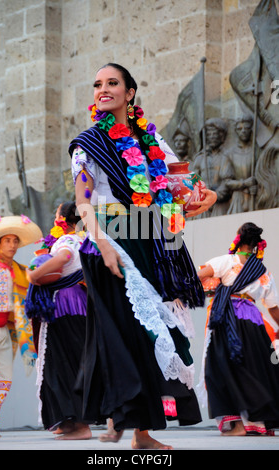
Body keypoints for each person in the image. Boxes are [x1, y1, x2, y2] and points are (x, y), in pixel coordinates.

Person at [68, 63, 217, 449]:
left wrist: (204, 197)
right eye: (97, 83)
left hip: (149, 240)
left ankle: (140, 431)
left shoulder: (152, 141)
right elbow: (83, 202)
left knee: (154, 335)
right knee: (127, 336)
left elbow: (181, 185)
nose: (103, 88)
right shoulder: (89, 143)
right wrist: (102, 245)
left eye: (112, 83)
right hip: (111, 242)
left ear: (130, 92)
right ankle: (129, 421)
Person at [197, 222, 279, 436]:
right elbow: (273, 308)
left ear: (237, 238)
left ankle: (238, 426)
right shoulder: (263, 272)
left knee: (221, 368)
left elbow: (199, 276)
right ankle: (258, 424)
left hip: (228, 319)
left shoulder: (227, 261)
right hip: (254, 323)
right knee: (256, 368)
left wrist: (211, 288)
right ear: (256, 246)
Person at [25, 202, 91, 440]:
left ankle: (80, 426)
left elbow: (63, 258)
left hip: (62, 304)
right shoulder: (86, 239)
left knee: (61, 365)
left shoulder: (66, 241)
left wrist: (34, 274)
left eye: (56, 215)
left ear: (62, 218)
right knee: (72, 362)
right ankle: (68, 421)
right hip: (79, 303)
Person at [0, 214, 42, 437]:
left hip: (6, 330)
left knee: (5, 377)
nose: (12, 245)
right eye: (7, 241)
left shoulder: (19, 271)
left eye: (15, 241)